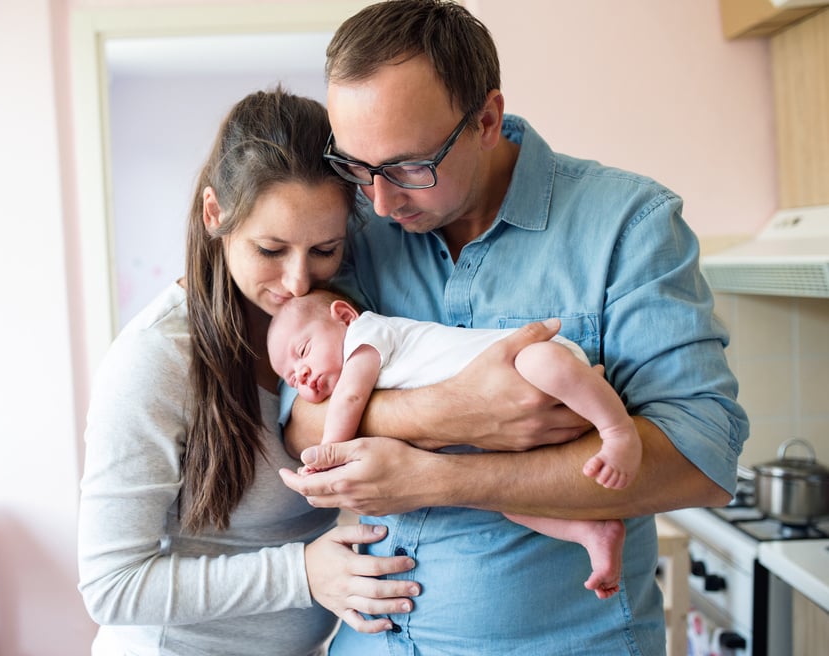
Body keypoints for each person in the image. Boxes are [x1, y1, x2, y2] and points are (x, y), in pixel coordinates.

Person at [278, 1, 750, 654]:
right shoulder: (359, 231)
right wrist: (455, 413)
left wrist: (438, 478)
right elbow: (299, 420)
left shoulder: (627, 225)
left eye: (410, 166)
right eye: (357, 168)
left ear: (487, 121)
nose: (381, 203)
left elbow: (702, 457)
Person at [76, 88, 423, 656]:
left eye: (324, 249)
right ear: (216, 214)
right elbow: (111, 586)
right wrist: (303, 573)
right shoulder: (154, 359)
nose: (297, 282)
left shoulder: (339, 320)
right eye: (270, 249)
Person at [268, 288, 638, 598]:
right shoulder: (359, 366)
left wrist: (329, 457)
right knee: (509, 502)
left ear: (344, 316)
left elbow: (349, 400)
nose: (300, 374)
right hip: (509, 432)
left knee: (542, 361)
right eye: (290, 377)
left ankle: (617, 430)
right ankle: (592, 531)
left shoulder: (367, 335)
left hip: (525, 362)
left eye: (303, 352)